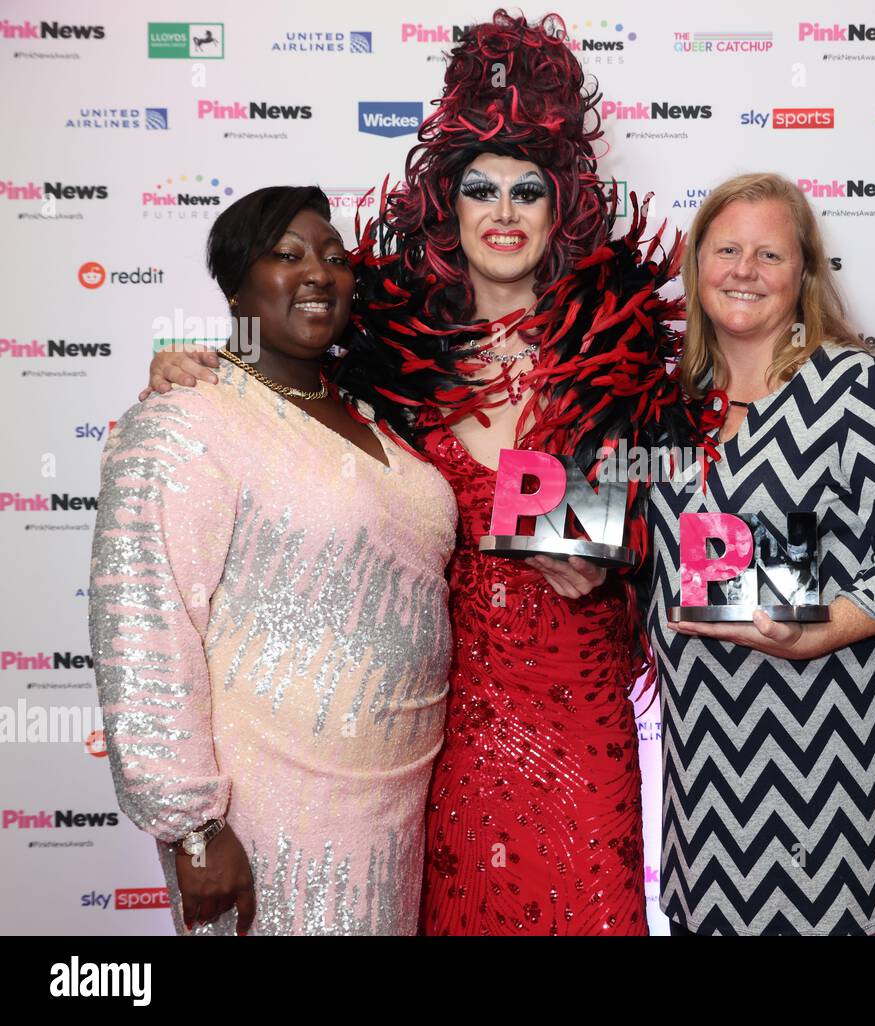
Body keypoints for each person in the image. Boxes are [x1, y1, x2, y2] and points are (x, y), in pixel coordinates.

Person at [136, 11, 691, 935]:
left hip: (582, 709)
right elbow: (284, 348)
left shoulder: (617, 347)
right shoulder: (393, 342)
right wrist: (202, 355)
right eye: (482, 189)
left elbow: (676, 502)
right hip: (448, 724)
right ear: (450, 201)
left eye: (528, 192)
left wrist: (614, 552)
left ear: (560, 208)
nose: (504, 213)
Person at [90, 186, 457, 935]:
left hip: (396, 809)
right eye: (286, 256)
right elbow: (146, 628)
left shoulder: (364, 411)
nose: (318, 272)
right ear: (234, 286)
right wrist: (192, 828)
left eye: (333, 257)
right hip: (269, 812)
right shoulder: (189, 417)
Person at [645, 173, 875, 935]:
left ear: (805, 276)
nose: (744, 270)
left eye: (770, 254)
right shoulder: (670, 403)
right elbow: (651, 562)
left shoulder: (858, 388)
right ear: (695, 267)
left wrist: (821, 630)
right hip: (706, 770)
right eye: (726, 249)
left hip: (829, 756)